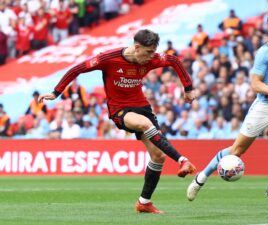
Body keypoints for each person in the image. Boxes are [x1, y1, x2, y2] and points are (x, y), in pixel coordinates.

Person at [38, 29, 197, 214]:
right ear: (137, 48)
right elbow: (77, 69)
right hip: (120, 110)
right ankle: (182, 160)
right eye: (147, 52)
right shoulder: (108, 59)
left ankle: (144, 203)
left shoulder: (151, 59)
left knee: (158, 156)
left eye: (153, 52)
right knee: (146, 124)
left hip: (142, 107)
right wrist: (56, 92)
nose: (150, 57)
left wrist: (188, 88)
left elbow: (174, 61)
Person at [187, 11, 268, 206]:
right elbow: (255, 85)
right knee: (236, 151)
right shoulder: (264, 52)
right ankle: (201, 177)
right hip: (264, 107)